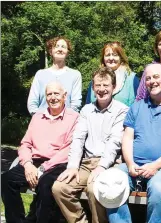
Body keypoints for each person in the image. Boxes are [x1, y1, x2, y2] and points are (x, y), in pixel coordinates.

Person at [107, 64, 161, 223]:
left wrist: (155, 166)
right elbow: (128, 138)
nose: (152, 81)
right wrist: (129, 163)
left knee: (159, 190)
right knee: (109, 184)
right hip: (133, 166)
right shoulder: (136, 108)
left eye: (156, 77)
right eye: (148, 78)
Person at [52, 67, 129, 223]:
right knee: (59, 188)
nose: (101, 89)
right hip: (86, 164)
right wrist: (72, 166)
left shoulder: (122, 110)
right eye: (98, 85)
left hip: (110, 164)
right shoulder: (86, 110)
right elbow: (78, 139)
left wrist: (102, 167)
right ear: (93, 88)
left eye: (106, 85)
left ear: (113, 87)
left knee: (95, 190)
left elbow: (115, 142)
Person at [1, 81, 79, 223]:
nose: (53, 97)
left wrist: (43, 169)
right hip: (34, 162)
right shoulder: (38, 117)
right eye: (49, 94)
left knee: (45, 185)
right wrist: (28, 164)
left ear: (64, 96)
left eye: (56, 93)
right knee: (7, 180)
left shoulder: (74, 118)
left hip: (58, 164)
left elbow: (68, 149)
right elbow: (25, 144)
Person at [27, 36, 82, 115]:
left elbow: (76, 103)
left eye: (63, 47)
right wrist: (39, 118)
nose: (60, 49)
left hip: (67, 123)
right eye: (56, 46)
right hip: (42, 122)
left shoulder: (75, 75)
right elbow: (32, 102)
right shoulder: (40, 74)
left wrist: (67, 119)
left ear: (67, 52)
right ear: (50, 51)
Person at [86, 41, 140, 107]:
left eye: (115, 55)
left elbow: (139, 106)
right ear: (103, 58)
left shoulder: (132, 80)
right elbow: (88, 106)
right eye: (107, 55)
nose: (111, 58)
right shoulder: (95, 80)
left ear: (121, 57)